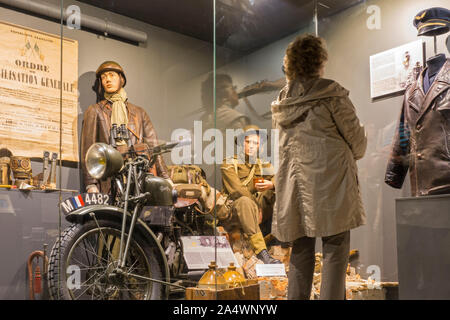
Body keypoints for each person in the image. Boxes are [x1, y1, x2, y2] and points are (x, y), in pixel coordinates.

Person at [271, 34, 367, 299]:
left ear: (289, 64)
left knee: (301, 251)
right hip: (331, 185)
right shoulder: (332, 94)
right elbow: (358, 143)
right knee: (336, 251)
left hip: (296, 188)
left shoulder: (282, 102)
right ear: (319, 61)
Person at [81, 61, 170, 193]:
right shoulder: (95, 111)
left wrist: (165, 177)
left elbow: (154, 145)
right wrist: (90, 184)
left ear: (121, 79)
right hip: (109, 178)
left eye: (112, 75)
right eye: (104, 77)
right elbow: (89, 150)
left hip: (137, 176)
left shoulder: (139, 113)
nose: (108, 80)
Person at [219, 125, 281, 264]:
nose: (252, 146)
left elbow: (279, 177)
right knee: (245, 201)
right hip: (234, 210)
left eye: (256, 143)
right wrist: (256, 207)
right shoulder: (229, 163)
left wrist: (271, 185)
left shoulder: (262, 165)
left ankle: (284, 240)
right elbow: (237, 190)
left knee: (277, 192)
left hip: (256, 211)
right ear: (242, 143)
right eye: (248, 142)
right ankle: (262, 252)